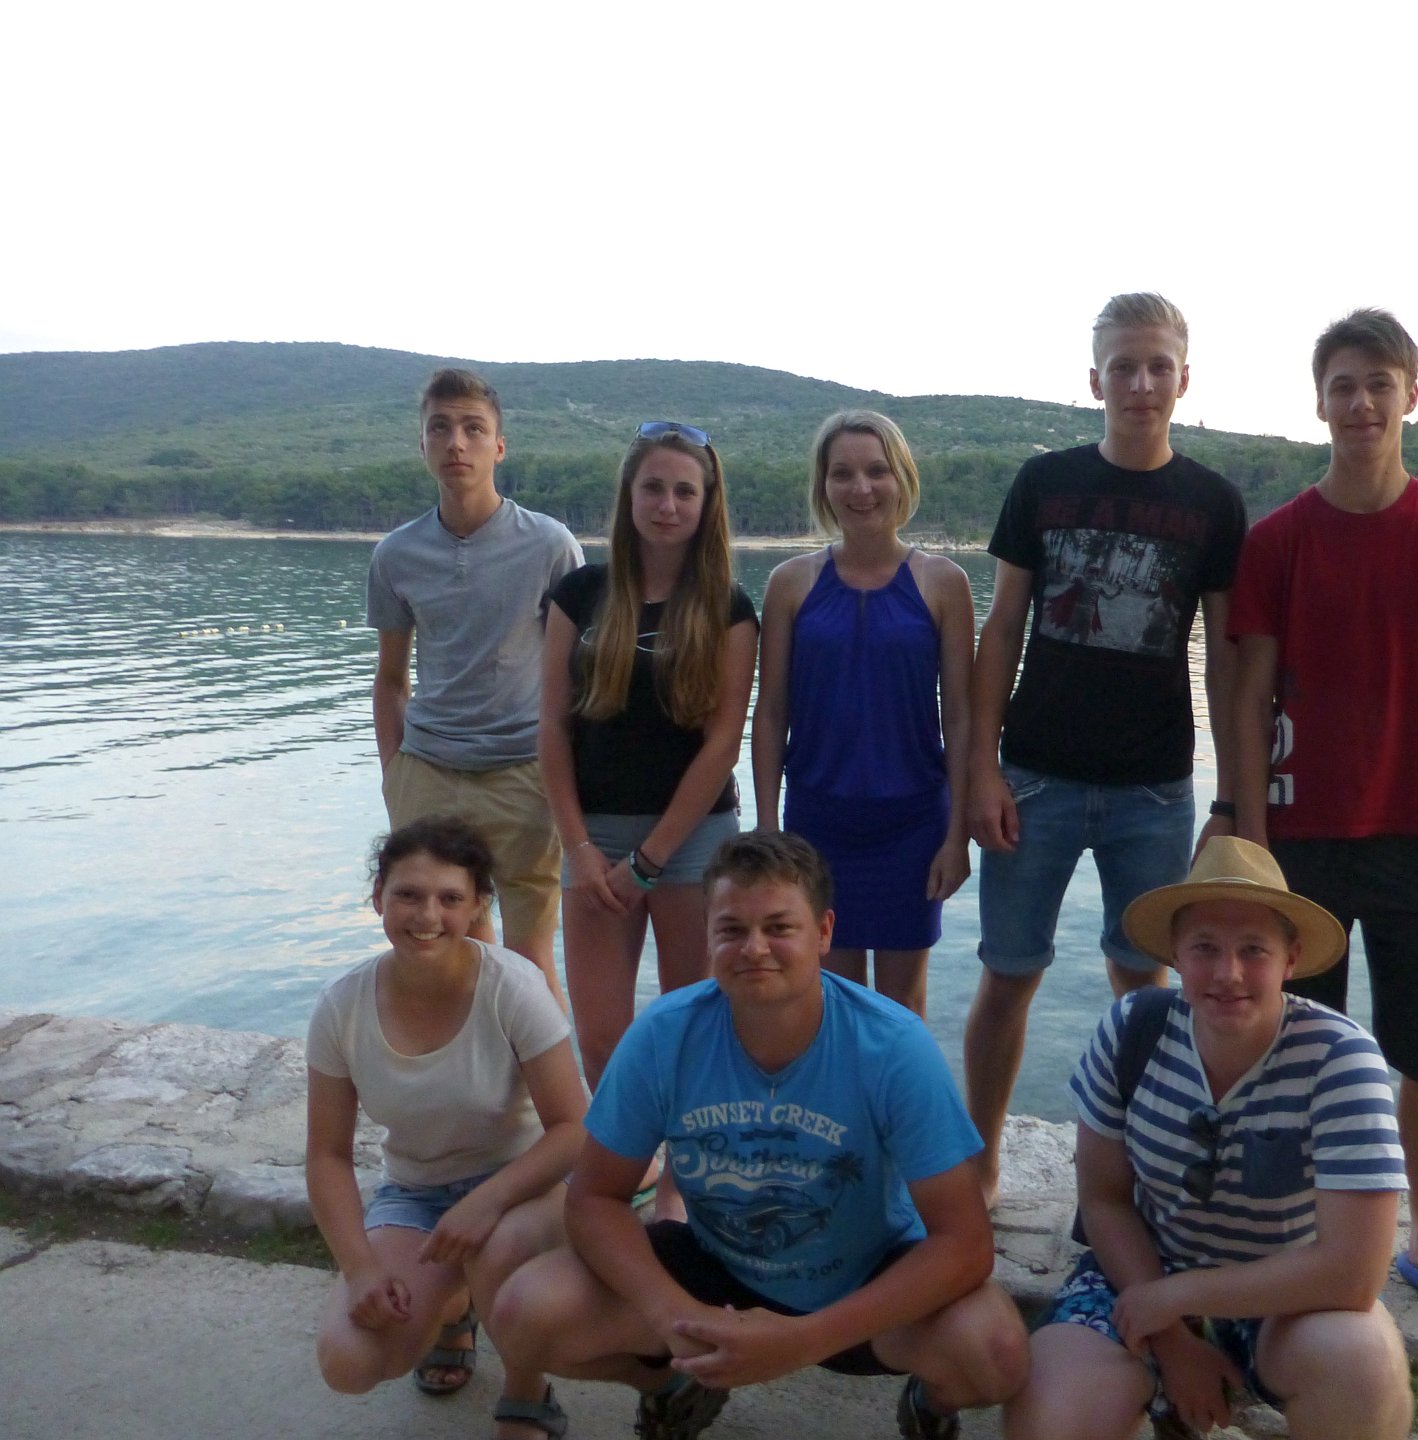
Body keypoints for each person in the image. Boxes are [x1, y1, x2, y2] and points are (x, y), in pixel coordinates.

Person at [487, 832, 1029, 1440]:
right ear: (707, 935)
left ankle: (931, 1399)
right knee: (523, 1314)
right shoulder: (664, 1035)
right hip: (715, 1269)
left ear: (823, 932)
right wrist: (676, 1319)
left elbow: (964, 1243)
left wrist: (804, 1340)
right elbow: (594, 1199)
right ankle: (671, 1384)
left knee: (996, 1352)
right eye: (731, 929)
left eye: (779, 927)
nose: (754, 948)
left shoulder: (893, 1046)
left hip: (866, 1277)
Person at [1228, 308, 1418, 1339]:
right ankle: (1296, 1242)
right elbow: (1249, 698)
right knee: (1291, 1049)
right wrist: (1250, 844)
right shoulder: (1278, 541)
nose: (1360, 404)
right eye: (1343, 385)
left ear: (1410, 397)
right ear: (1318, 401)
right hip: (1298, 839)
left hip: (1413, 835)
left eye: (1378, 384)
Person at [964, 293, 1248, 1206]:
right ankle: (980, 1165)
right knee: (1008, 975)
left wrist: (1231, 802)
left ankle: (1133, 1175)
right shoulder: (1044, 483)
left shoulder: (1213, 503)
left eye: (1158, 366)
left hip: (1153, 789)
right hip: (1034, 777)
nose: (1141, 383)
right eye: (1124, 366)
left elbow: (1228, 661)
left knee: (1144, 988)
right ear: (1095, 380)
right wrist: (980, 769)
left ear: (1184, 379)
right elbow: (1003, 628)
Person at [1004, 837, 1412, 1440]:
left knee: (1362, 1366)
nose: (1228, 974)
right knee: (1053, 1417)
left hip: (1280, 1288)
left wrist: (1180, 1297)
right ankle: (1157, 1391)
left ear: (1291, 958)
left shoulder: (1340, 1059)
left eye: (1254, 950)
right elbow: (1105, 1200)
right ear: (1175, 953)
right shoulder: (1132, 1028)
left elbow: (1353, 1274)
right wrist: (1170, 1335)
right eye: (1204, 948)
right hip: (1142, 1270)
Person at [306, 816, 588, 1440]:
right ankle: (455, 1308)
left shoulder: (513, 987)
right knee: (350, 1360)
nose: (427, 915)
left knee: (500, 1249)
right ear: (378, 897)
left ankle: (526, 1390)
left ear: (479, 904)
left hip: (527, 1184)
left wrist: (488, 1201)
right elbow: (326, 1155)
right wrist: (361, 1269)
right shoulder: (341, 1005)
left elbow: (574, 1129)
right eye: (408, 894)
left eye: (450, 898)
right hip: (418, 1193)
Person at [537, 420, 758, 1091]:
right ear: (628, 495)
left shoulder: (729, 609)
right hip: (593, 838)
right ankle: (623, 1152)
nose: (667, 505)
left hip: (692, 842)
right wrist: (577, 847)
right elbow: (552, 727)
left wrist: (650, 861)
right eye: (653, 488)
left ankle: (685, 1157)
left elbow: (723, 743)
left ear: (706, 504)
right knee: (602, 1037)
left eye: (685, 491)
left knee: (694, 1029)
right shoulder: (578, 596)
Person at [368, 369, 584, 1004]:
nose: (456, 442)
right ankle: (473, 1069)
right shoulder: (396, 555)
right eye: (440, 428)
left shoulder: (549, 545)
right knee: (454, 947)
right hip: (428, 773)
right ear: (423, 444)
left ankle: (547, 1072)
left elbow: (580, 676)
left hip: (525, 773)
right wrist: (395, 774)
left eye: (473, 428)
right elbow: (390, 678)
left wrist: (567, 775)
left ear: (499, 446)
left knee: (529, 957)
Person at [752, 410, 975, 1015]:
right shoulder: (790, 583)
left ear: (902, 479)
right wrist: (769, 828)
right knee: (831, 999)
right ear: (822, 485)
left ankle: (899, 1088)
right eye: (842, 474)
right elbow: (770, 712)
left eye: (877, 471)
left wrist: (957, 835)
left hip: (913, 823)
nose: (861, 488)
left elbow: (960, 717)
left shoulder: (944, 583)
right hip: (817, 822)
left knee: (902, 1005)